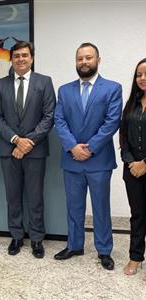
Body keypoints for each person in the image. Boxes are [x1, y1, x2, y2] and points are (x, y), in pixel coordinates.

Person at [54, 43, 122, 271]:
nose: (84, 62)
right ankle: (74, 245)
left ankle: (104, 250)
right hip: (72, 160)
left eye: (88, 58)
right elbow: (59, 121)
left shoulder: (112, 88)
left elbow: (111, 122)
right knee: (73, 207)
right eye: (80, 58)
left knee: (101, 207)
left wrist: (89, 148)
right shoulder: (64, 90)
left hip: (99, 160)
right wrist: (73, 147)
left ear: (98, 60)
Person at [0, 41, 56, 259]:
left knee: (35, 196)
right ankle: (16, 236)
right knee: (13, 196)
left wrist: (27, 142)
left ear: (32, 58)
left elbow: (49, 117)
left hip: (35, 151)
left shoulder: (44, 82)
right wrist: (15, 140)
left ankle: (37, 238)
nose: (21, 59)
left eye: (25, 55)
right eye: (17, 55)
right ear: (12, 59)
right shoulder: (1, 84)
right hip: (8, 150)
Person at [119, 58, 146, 277]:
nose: (142, 78)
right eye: (139, 74)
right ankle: (135, 257)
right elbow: (124, 139)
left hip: (144, 166)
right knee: (137, 215)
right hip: (132, 171)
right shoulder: (131, 105)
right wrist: (132, 163)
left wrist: (145, 164)